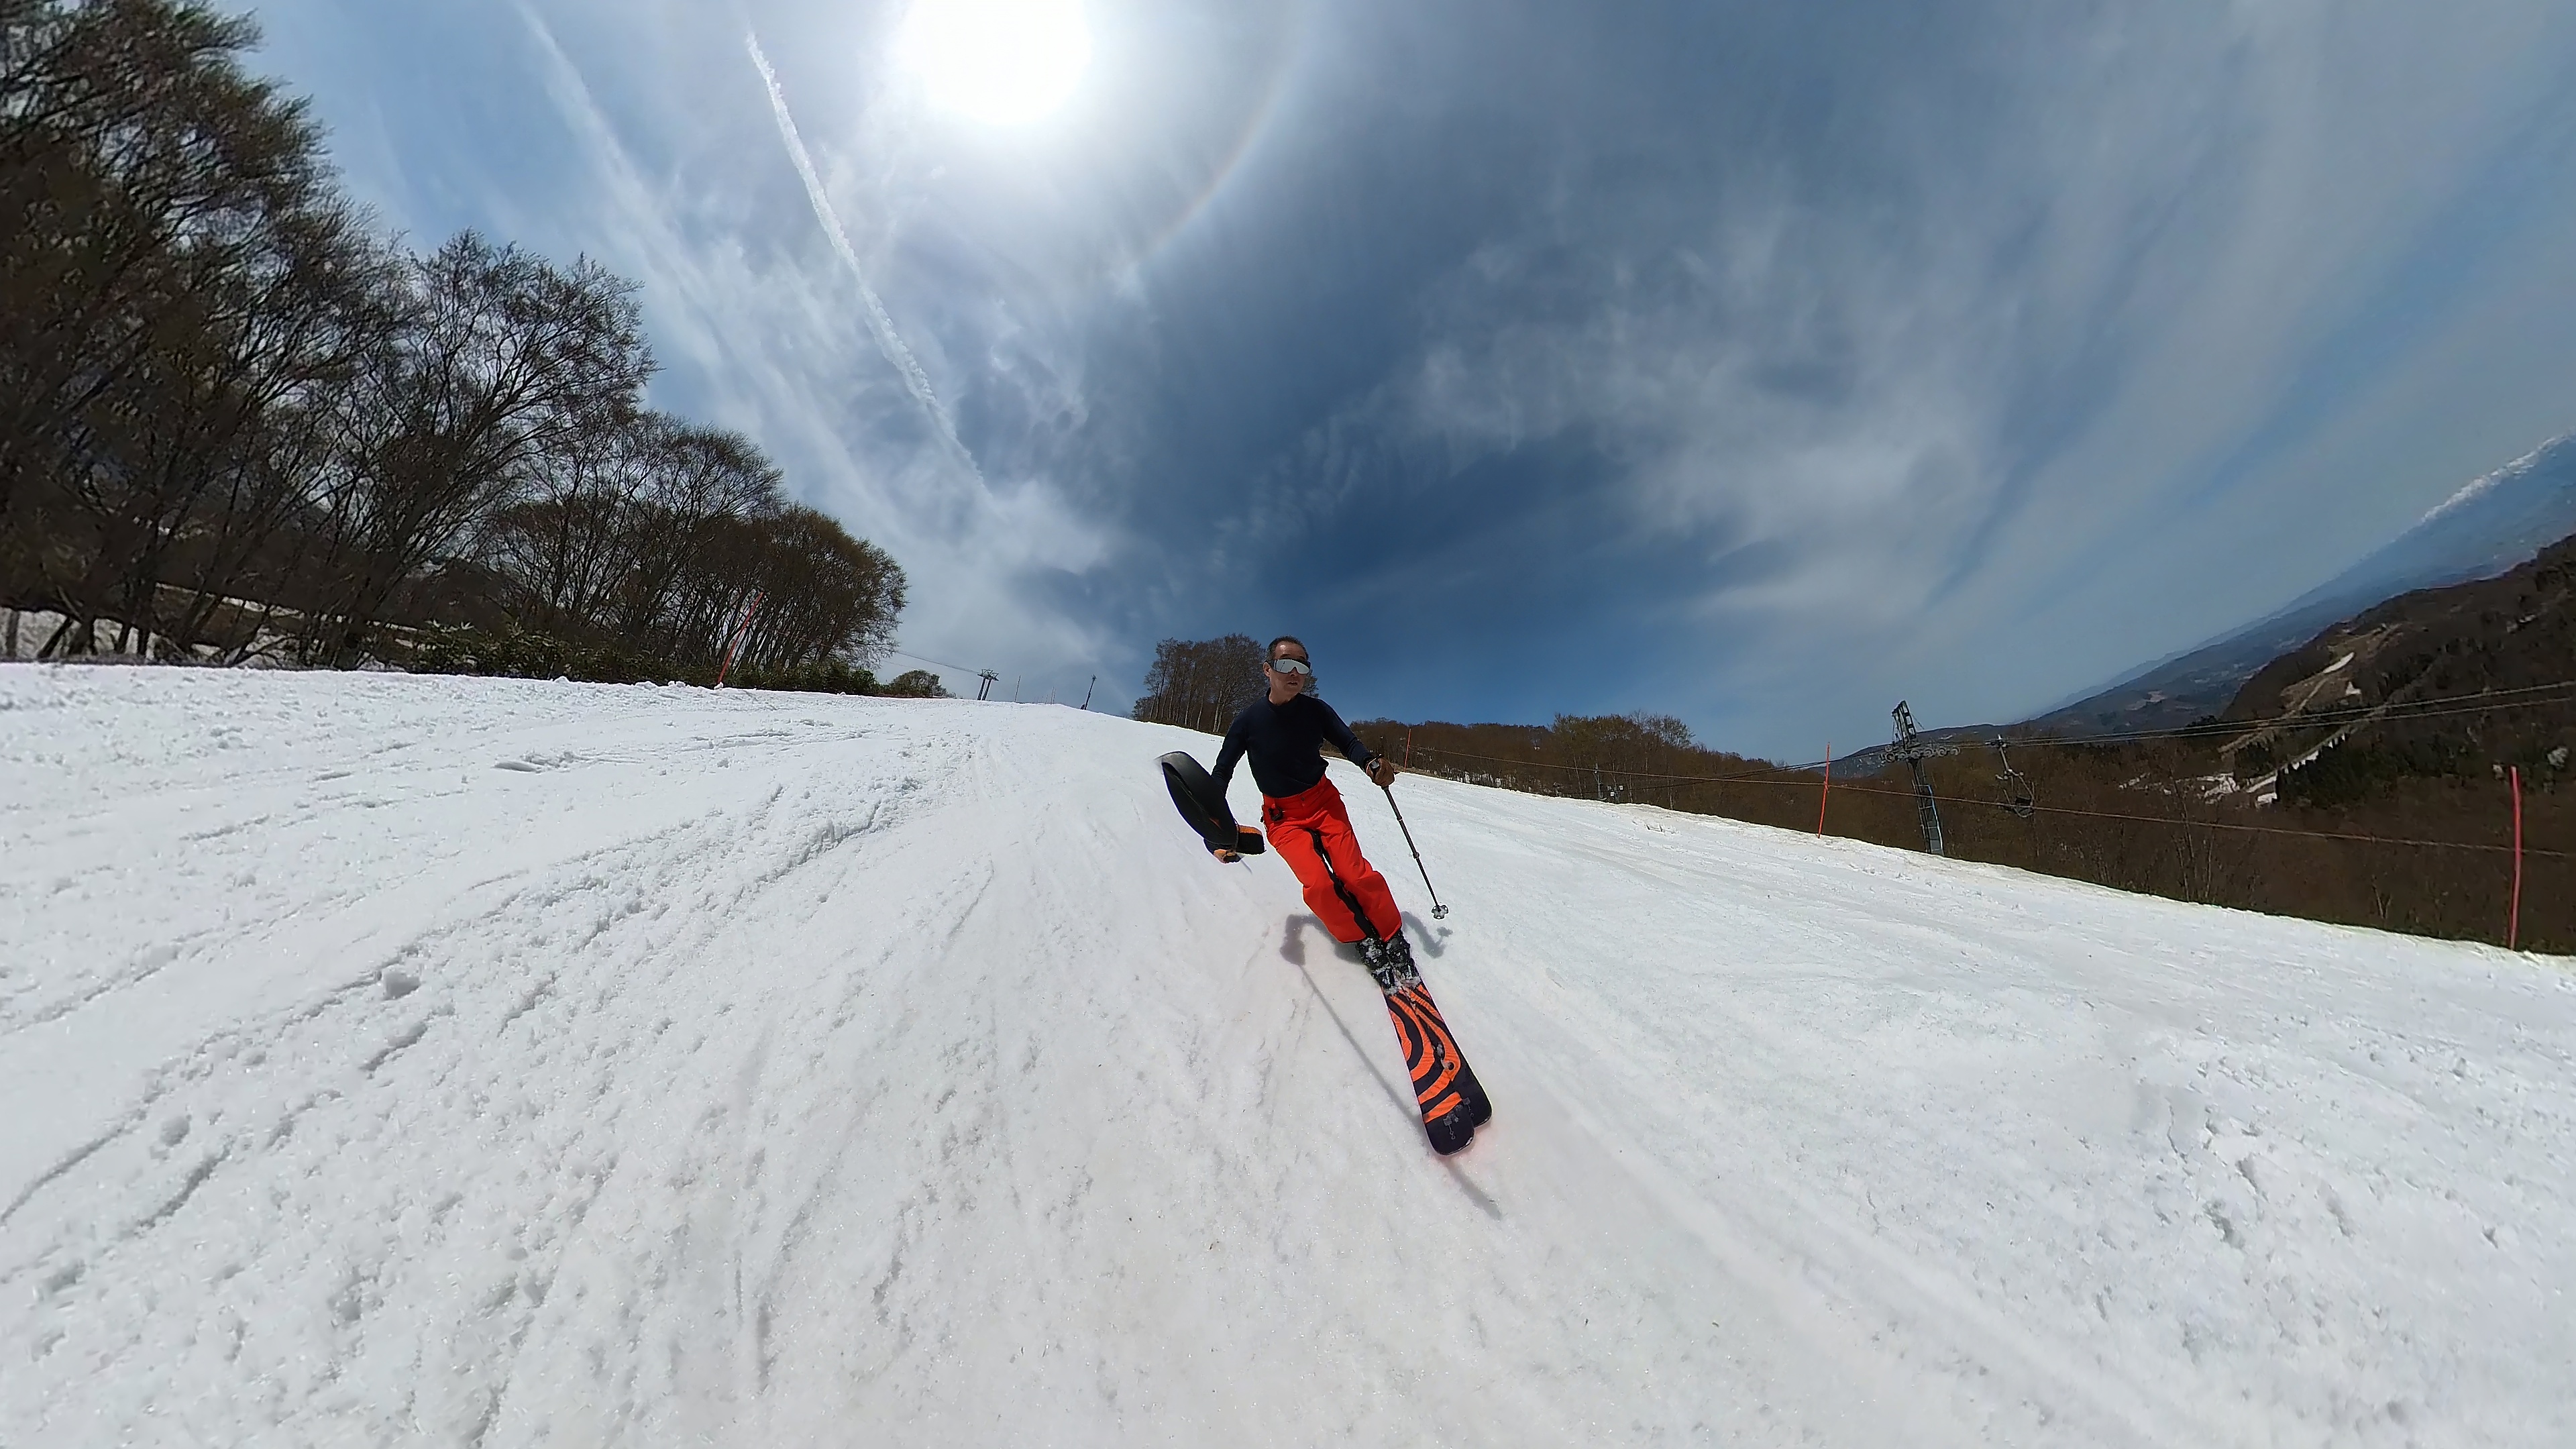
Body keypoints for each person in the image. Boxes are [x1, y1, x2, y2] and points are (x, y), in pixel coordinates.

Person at [1209, 635, 1417, 975]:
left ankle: (1391, 933)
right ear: (1267, 669)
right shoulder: (1247, 722)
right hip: (1283, 817)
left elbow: (1348, 742)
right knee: (1319, 885)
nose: (1295, 672)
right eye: (1286, 663)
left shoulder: (1316, 711)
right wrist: (1213, 821)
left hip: (1324, 804)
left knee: (1354, 873)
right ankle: (1360, 939)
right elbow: (1222, 773)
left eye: (1302, 665)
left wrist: (1370, 763)